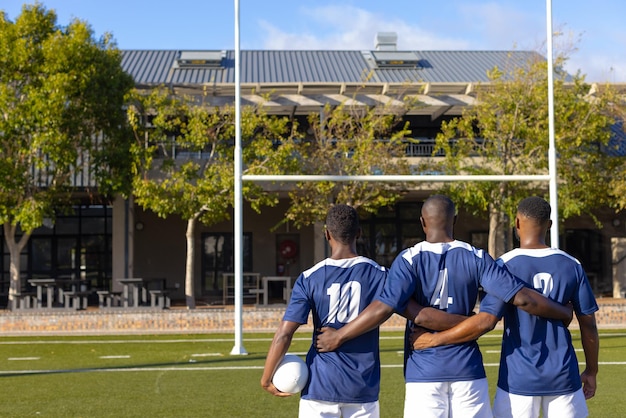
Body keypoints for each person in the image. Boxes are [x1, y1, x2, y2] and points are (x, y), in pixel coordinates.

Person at [316, 194, 572, 418]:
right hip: (468, 369)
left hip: (423, 371)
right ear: (455, 221)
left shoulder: (408, 259)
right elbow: (517, 302)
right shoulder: (477, 256)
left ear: (422, 222)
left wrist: (339, 336)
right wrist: (562, 312)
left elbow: (385, 307)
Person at [410, 196, 599, 418]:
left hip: (517, 379)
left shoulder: (503, 265)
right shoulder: (571, 264)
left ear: (517, 223)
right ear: (549, 225)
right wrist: (592, 371)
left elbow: (486, 321)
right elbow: (589, 325)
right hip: (564, 376)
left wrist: (434, 340)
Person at [260, 204, 388, 418]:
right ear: (358, 233)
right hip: (362, 387)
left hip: (320, 386)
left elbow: (284, 333)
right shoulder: (381, 274)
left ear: (327, 233)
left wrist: (266, 378)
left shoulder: (309, 277)